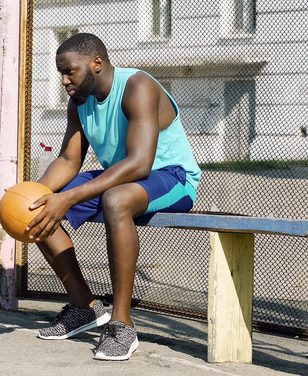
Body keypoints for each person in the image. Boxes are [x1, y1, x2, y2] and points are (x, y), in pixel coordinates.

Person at [26, 33, 201, 361]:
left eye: (70, 72)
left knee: (115, 200)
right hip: (122, 177)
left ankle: (122, 324)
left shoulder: (138, 86)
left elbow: (139, 163)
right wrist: (33, 195)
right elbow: (68, 159)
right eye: (61, 73)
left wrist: (71, 197)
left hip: (171, 176)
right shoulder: (79, 100)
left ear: (97, 64)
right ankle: (84, 307)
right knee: (37, 206)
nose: (64, 80)